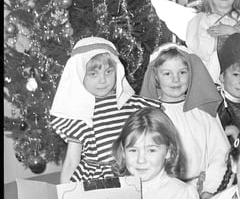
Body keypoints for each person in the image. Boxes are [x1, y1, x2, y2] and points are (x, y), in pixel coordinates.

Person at [49, 37, 160, 183]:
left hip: (133, 175)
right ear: (80, 76)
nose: (102, 80)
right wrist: (65, 196)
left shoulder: (134, 107)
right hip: (96, 181)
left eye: (108, 72)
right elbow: (71, 159)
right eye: (93, 74)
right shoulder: (79, 113)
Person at [140, 43, 230, 199]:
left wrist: (209, 190)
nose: (175, 79)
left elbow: (220, 153)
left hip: (199, 192)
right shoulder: (151, 115)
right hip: (161, 196)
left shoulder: (203, 112)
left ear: (192, 74)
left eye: (182, 72)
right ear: (156, 76)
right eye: (167, 73)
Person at [112, 107, 199, 199]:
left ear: (169, 152)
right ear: (123, 152)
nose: (141, 160)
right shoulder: (115, 192)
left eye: (151, 150)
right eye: (133, 150)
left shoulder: (181, 195)